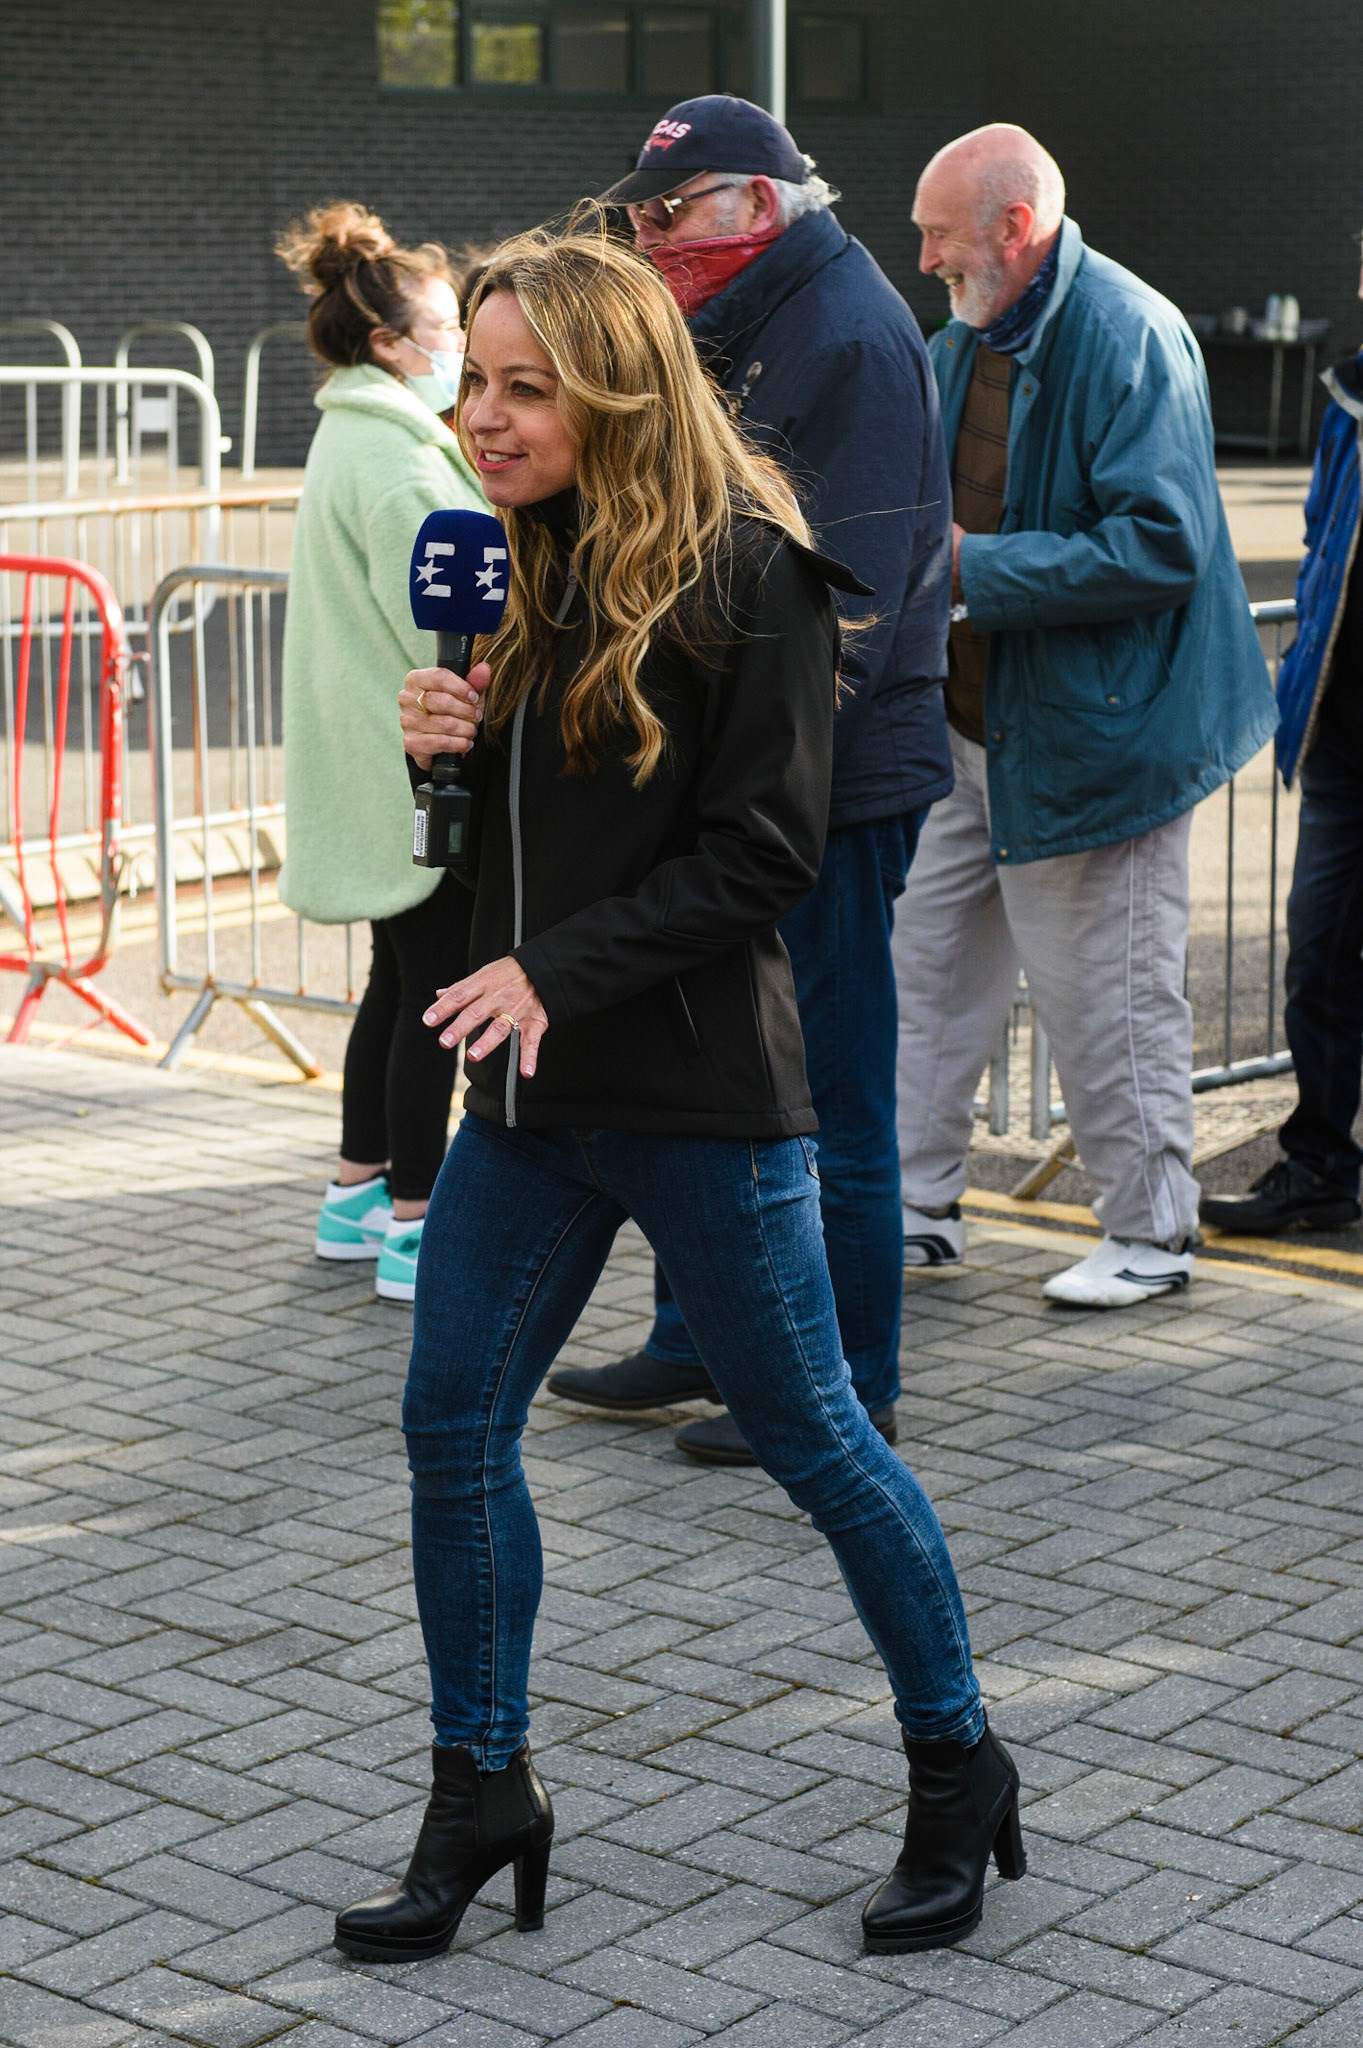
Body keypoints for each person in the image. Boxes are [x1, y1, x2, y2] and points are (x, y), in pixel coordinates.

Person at [332, 220, 1023, 1965]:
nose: (480, 418)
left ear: (615, 385)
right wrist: (459, 753)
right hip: (534, 1104)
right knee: (450, 1426)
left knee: (814, 1438)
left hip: (701, 1096)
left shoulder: (749, 570)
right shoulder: (516, 557)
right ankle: (480, 1788)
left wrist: (552, 967)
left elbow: (765, 852)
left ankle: (957, 1761)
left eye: (521, 388)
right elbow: (548, 841)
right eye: (473, 383)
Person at [544, 95, 954, 1463]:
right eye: (641, 214)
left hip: (823, 781)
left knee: (820, 1084)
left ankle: (849, 1381)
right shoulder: (744, 318)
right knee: (707, 1073)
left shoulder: (841, 334)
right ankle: (697, 1337)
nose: (649, 236)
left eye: (672, 212)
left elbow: (847, 599)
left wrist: (746, 786)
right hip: (750, 777)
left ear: (756, 207)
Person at [893, 125, 1277, 1307]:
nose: (921, 261)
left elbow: (1162, 545)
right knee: (920, 970)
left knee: (1104, 996)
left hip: (1095, 737)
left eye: (939, 236)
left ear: (1014, 229)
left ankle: (1152, 1233)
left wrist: (970, 568)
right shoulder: (970, 327)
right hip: (974, 724)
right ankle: (910, 1204)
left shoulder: (1127, 330)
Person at [275, 202, 486, 1301]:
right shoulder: (402, 461)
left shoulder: (352, 434)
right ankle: (415, 1222)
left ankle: (359, 1190)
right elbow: (443, 626)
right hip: (415, 767)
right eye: (450, 328)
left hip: (366, 764)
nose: (465, 347)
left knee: (397, 981)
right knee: (436, 995)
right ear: (389, 345)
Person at [1201, 238, 1363, 1239]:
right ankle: (1316, 1169)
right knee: (1318, 962)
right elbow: (1318, 541)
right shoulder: (1347, 398)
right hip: (1345, 750)